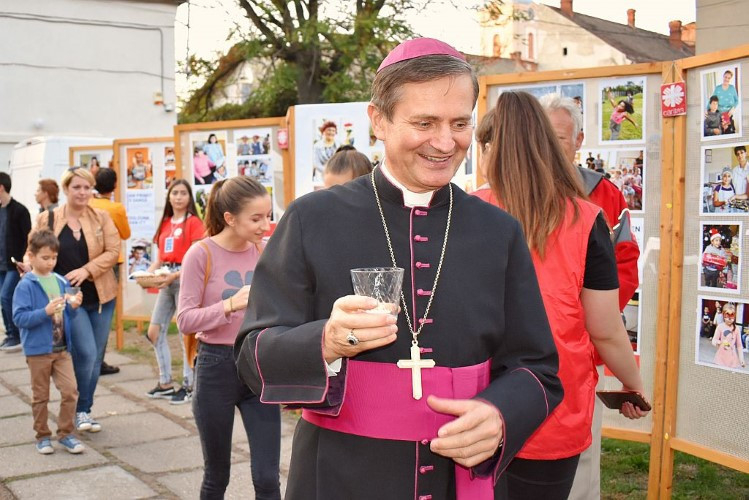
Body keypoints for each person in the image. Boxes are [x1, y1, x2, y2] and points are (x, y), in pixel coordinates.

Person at [234, 38, 563, 499]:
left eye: (460, 123)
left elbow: (537, 368)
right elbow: (252, 355)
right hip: (341, 477)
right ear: (379, 120)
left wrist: (500, 415)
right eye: (424, 123)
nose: (445, 143)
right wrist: (325, 341)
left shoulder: (499, 231)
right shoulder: (312, 219)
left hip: (460, 480)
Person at [473, 91, 647, 499]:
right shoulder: (584, 218)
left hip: (477, 398)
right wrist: (633, 384)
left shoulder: (467, 210)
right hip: (554, 400)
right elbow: (605, 329)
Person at [537, 93, 640, 500]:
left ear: (579, 141)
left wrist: (585, 321)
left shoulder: (604, 195)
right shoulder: (506, 191)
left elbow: (624, 266)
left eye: (559, 138)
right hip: (516, 350)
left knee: (578, 465)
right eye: (542, 135)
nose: (548, 146)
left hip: (578, 348)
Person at [177, 177, 281, 499]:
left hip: (257, 363)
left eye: (268, 216)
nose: (265, 225)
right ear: (230, 218)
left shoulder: (264, 251)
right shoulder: (200, 254)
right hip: (215, 367)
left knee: (268, 477)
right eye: (256, 218)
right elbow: (184, 319)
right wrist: (229, 305)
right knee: (217, 475)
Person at [33, 167, 119, 433]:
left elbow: (114, 251)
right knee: (86, 353)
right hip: (68, 300)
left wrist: (87, 270)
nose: (82, 192)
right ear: (66, 189)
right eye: (76, 187)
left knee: (95, 358)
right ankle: (79, 408)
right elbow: (31, 250)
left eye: (86, 187)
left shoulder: (101, 217)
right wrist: (29, 267)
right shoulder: (47, 218)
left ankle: (83, 410)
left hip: (102, 297)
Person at [12, 229, 85, 454]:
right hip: (38, 351)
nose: (50, 262)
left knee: (70, 391)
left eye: (54, 257)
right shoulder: (26, 285)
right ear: (31, 256)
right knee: (41, 396)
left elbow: (67, 315)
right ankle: (42, 436)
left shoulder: (61, 281)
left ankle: (66, 433)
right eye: (45, 258)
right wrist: (45, 311)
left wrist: (73, 306)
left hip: (62, 348)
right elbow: (19, 318)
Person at [145, 180, 204, 405]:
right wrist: (146, 275)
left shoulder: (194, 223)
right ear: (169, 197)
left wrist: (175, 275)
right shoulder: (166, 223)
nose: (178, 197)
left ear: (189, 197)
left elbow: (196, 258)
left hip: (184, 279)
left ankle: (189, 385)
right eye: (174, 193)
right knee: (154, 332)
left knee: (185, 333)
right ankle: (165, 382)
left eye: (183, 193)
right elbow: (160, 258)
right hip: (166, 280)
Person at [90, 168, 132, 375]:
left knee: (90, 308)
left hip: (89, 261)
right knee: (106, 311)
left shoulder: (89, 204)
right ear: (114, 185)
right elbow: (125, 233)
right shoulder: (116, 208)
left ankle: (90, 358)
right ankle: (98, 361)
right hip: (111, 262)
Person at [0, 172, 32, 352]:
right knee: (3, 298)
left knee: (6, 296)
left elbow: (28, 238)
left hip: (14, 264)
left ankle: (17, 335)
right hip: (1, 264)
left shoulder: (20, 210)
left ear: (1, 187)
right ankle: (10, 333)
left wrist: (23, 260)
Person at [711, 303, 746, 368]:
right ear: (723, 315)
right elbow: (714, 340)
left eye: (732, 316)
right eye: (727, 316)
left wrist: (741, 359)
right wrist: (718, 342)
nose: (729, 319)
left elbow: (739, 346)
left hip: (732, 360)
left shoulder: (737, 329)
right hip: (720, 359)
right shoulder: (720, 326)